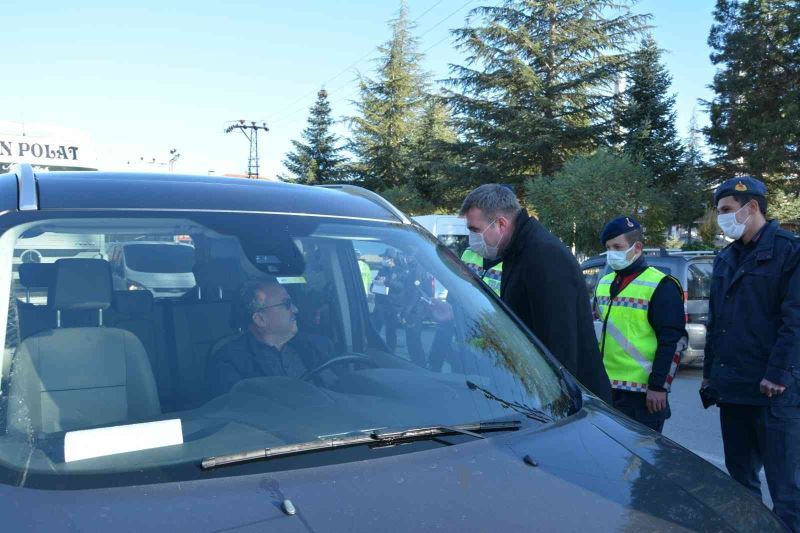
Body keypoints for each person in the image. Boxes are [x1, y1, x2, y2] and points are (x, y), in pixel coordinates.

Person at [703, 176, 800, 531]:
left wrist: (778, 373)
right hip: (734, 388)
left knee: (787, 488)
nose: (722, 218)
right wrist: (710, 374)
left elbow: (796, 321)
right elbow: (718, 321)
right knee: (741, 483)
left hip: (773, 391)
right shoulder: (726, 257)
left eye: (727, 210)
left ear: (752, 207)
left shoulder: (790, 252)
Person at [459, 184, 612, 402]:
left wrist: (556, 405)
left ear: (500, 224)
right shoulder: (517, 249)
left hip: (565, 401)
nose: (471, 237)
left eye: (475, 230)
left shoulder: (543, 255)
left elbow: (560, 345)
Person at [595, 216, 687, 433]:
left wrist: (659, 386)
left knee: (640, 462)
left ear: (637, 247)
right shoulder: (605, 283)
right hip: (605, 389)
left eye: (617, 247)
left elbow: (673, 341)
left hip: (643, 395)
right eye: (608, 248)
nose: (612, 254)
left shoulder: (661, 285)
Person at [206, 280, 333, 398]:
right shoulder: (229, 361)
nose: (295, 309)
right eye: (287, 304)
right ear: (260, 319)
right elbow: (237, 411)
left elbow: (340, 390)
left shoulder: (319, 346)